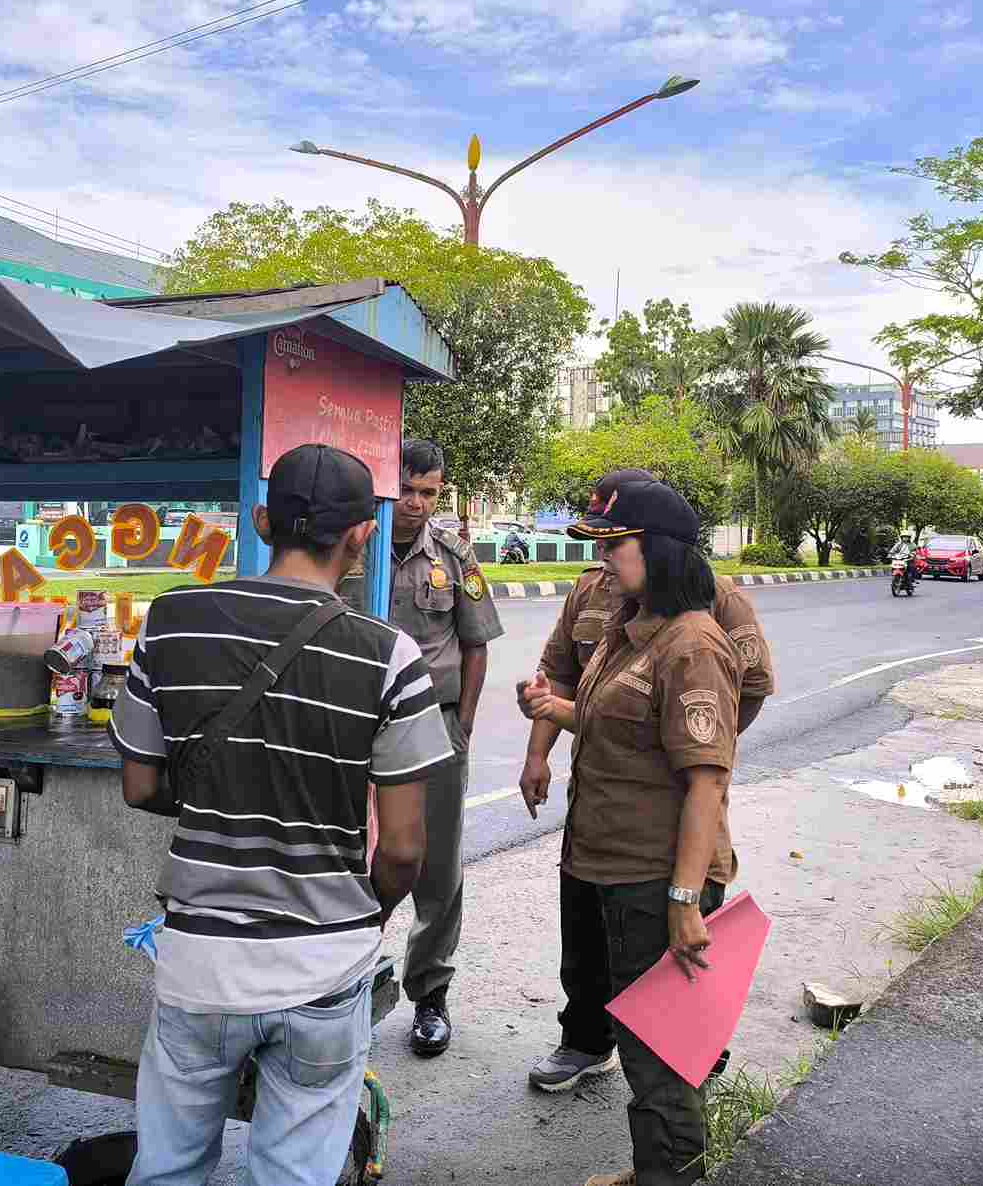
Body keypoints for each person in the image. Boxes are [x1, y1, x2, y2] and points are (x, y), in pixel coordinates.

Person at [113, 442, 452, 1186]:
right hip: (323, 969)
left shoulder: (172, 621)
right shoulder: (390, 657)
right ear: (362, 534)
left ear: (263, 520)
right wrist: (368, 915)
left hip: (199, 961)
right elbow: (401, 849)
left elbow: (140, 786)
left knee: (166, 1167)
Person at [516, 468, 772, 1096]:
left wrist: (693, 750)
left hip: (657, 841)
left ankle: (682, 1078)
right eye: (597, 544)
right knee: (588, 950)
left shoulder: (703, 616)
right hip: (596, 824)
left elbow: (748, 692)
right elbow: (566, 681)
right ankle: (589, 1042)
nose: (601, 558)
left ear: (653, 547)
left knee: (664, 1007)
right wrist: (543, 737)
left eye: (613, 543)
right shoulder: (604, 604)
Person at [341, 437, 504, 1057]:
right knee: (348, 851)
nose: (414, 503)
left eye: (428, 492)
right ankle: (344, 982)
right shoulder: (355, 548)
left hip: (433, 725)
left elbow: (477, 645)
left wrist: (461, 725)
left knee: (436, 865)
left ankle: (429, 994)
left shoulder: (456, 557)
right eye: (405, 489)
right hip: (353, 725)